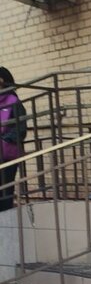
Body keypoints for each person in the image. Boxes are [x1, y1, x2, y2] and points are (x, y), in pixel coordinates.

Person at [0, 67, 27, 212]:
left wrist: (4, 141)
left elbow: (20, 128)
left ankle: (5, 219)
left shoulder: (13, 101)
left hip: (7, 155)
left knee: (5, 191)